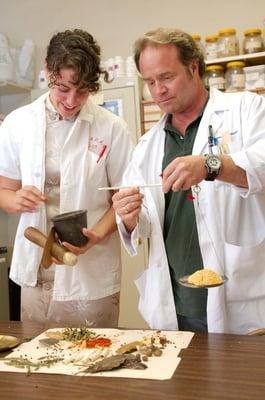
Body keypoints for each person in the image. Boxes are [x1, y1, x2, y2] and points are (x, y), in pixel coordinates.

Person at [112, 27, 265, 334]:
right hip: (176, 302)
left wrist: (211, 165)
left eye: (166, 77)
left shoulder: (246, 109)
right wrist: (128, 217)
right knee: (184, 382)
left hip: (240, 297)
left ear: (194, 67)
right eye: (150, 82)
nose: (158, 91)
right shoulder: (147, 146)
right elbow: (142, 222)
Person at [0, 29, 133, 327]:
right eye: (63, 89)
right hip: (36, 273)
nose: (72, 101)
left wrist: (97, 232)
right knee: (37, 363)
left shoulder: (112, 128)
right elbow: (4, 190)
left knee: (94, 362)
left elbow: (125, 198)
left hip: (90, 270)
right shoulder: (18, 124)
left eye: (83, 91)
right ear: (47, 70)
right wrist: (16, 198)